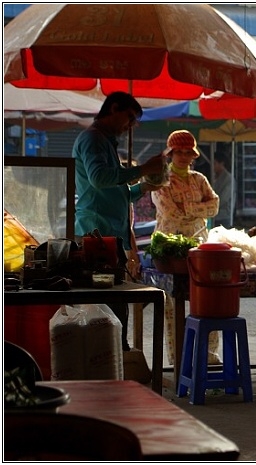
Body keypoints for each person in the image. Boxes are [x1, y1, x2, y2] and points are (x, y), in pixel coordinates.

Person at [73, 91, 167, 351]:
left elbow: (115, 191)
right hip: (96, 236)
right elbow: (100, 179)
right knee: (105, 305)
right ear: (114, 108)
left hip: (109, 235)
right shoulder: (92, 139)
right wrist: (142, 170)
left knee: (114, 304)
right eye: (129, 118)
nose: (130, 126)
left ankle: (116, 354)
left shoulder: (105, 141)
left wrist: (143, 187)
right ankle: (109, 356)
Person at [151, 129, 221, 365]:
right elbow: (170, 214)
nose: (182, 156)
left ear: (193, 155)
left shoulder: (200, 179)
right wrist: (196, 209)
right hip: (170, 251)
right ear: (170, 154)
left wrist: (187, 208)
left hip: (200, 247)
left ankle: (209, 355)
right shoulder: (161, 179)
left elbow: (215, 207)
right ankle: (179, 357)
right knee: (173, 305)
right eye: (178, 152)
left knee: (208, 300)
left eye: (187, 152)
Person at [212, 155, 235, 229]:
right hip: (214, 215)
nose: (213, 166)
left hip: (223, 216)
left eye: (215, 163)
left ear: (221, 164)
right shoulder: (214, 176)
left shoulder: (229, 179)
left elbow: (224, 199)